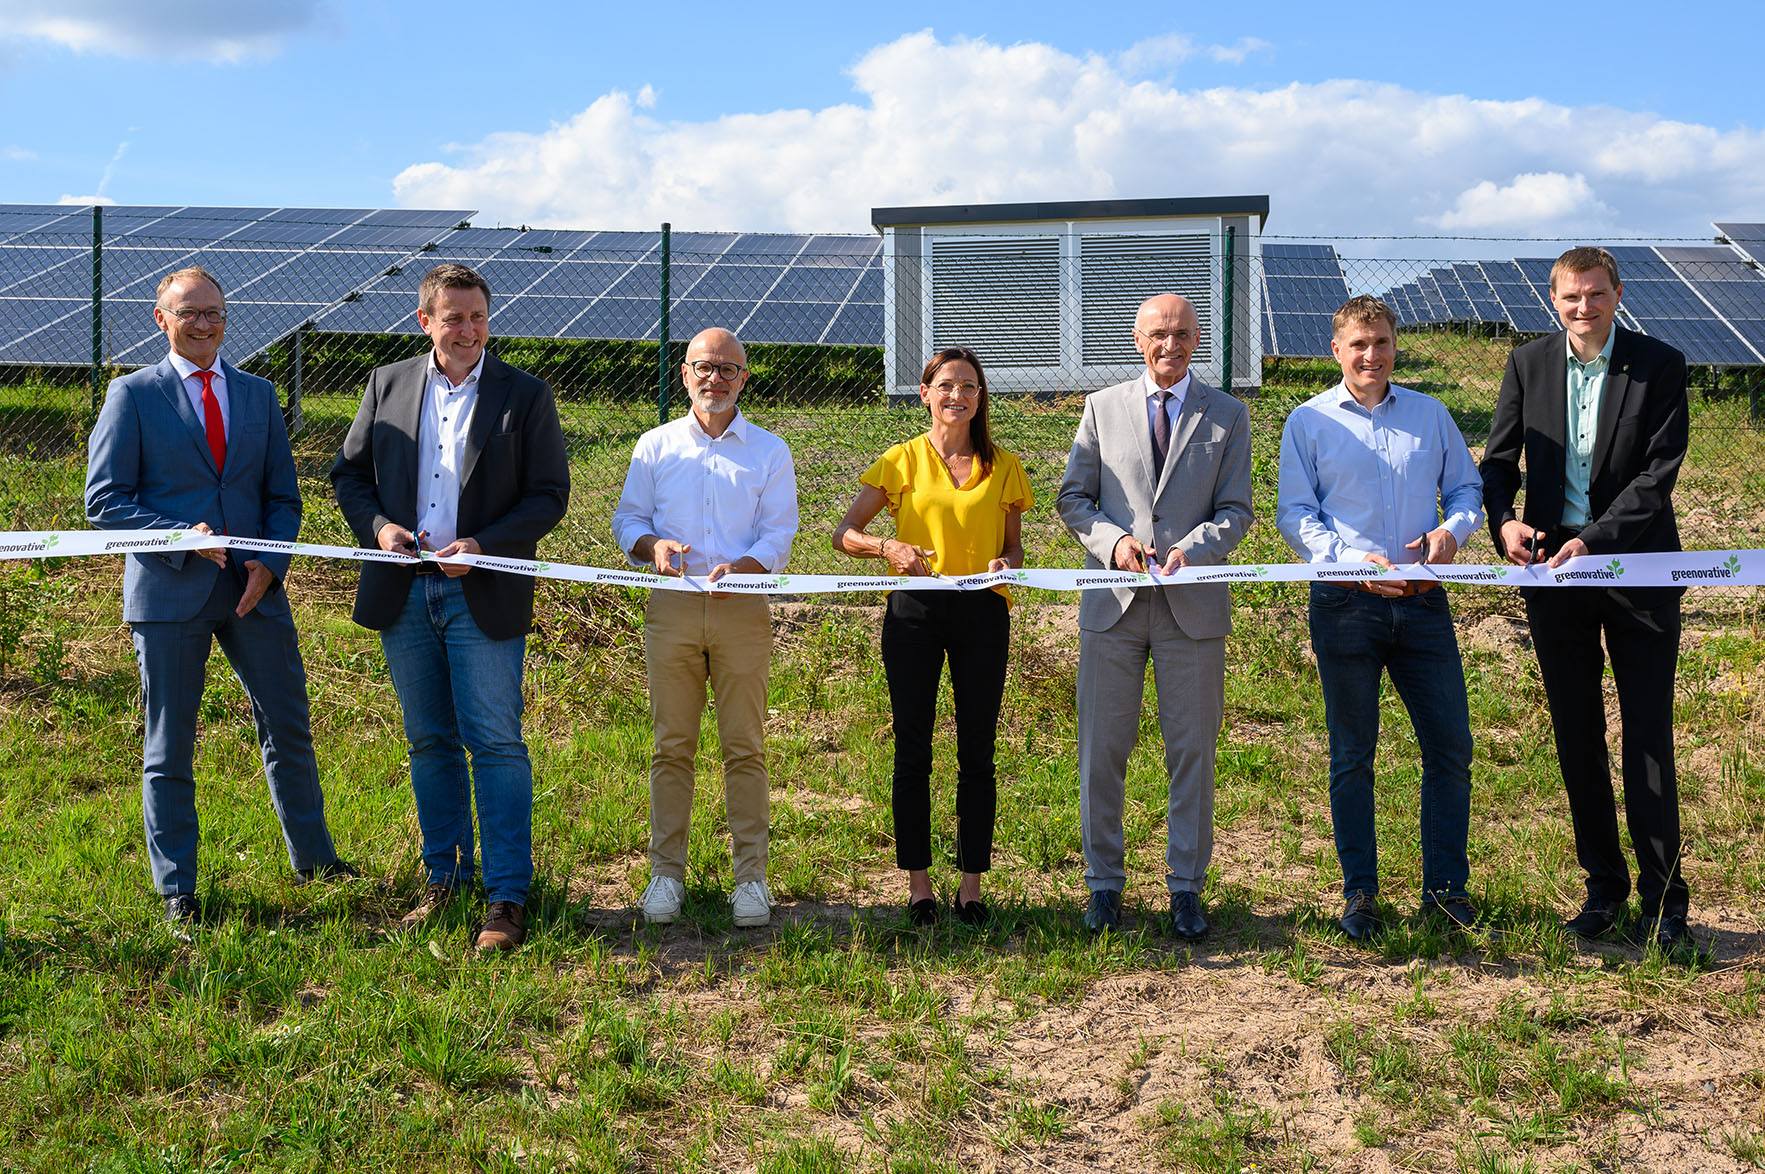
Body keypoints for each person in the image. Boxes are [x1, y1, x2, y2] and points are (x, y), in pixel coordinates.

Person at [84, 266, 352, 938]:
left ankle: (315, 862)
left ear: (226, 318)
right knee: (169, 744)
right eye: (188, 312)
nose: (203, 324)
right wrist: (176, 536)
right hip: (168, 592)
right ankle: (179, 889)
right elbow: (104, 501)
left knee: (288, 727)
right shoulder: (131, 396)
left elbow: (283, 499)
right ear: (160, 318)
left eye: (214, 313)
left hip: (253, 593)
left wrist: (270, 561)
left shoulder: (259, 397)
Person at [330, 262, 569, 952]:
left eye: (478, 317)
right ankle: (444, 880)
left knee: (495, 743)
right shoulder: (388, 383)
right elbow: (348, 475)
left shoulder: (524, 394)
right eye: (454, 317)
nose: (468, 330)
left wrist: (484, 544)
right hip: (403, 589)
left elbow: (548, 494)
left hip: (482, 589)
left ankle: (506, 897)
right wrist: (378, 528)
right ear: (424, 321)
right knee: (429, 741)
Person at [1481, 246, 1693, 952]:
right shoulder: (1526, 364)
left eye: (1595, 295)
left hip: (1635, 574)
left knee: (1647, 738)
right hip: (1553, 578)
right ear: (1552, 299)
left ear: (1616, 294)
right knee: (1576, 735)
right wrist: (1503, 521)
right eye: (1570, 297)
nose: (1583, 307)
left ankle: (1664, 904)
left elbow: (1656, 476)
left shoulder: (1657, 364)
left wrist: (1594, 541)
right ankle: (1602, 888)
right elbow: (1497, 460)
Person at [1276, 295, 1484, 940]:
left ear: (1397, 347)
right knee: (1351, 753)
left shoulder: (1431, 415)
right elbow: (1295, 514)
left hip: (1423, 604)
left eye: (1382, 343)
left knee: (1450, 746)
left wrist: (1453, 533)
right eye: (1358, 345)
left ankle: (1446, 891)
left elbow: (1467, 491)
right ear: (1336, 350)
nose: (1371, 355)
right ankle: (1360, 893)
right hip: (1345, 604)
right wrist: (1344, 558)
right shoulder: (1307, 423)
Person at [1055, 293, 1253, 938]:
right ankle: (1104, 885)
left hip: (1191, 610)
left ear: (1199, 339)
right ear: (1138, 338)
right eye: (1157, 334)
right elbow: (1075, 497)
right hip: (1113, 610)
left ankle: (1186, 887)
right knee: (1101, 752)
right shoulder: (1101, 407)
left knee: (1191, 750)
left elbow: (1236, 510)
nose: (1169, 345)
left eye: (1182, 334)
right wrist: (1112, 542)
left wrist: (1192, 549)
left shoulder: (1228, 415)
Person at [832, 346, 1033, 926]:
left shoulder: (1005, 466)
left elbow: (1015, 546)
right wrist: (885, 546)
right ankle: (919, 885)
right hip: (915, 614)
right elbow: (845, 533)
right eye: (946, 385)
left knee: (978, 749)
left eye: (969, 386)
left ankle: (970, 887)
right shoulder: (899, 461)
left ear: (980, 399)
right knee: (912, 746)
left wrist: (1007, 563)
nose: (957, 396)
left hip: (981, 614)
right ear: (925, 393)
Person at [612, 327, 798, 928]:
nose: (713, 378)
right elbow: (628, 521)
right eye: (702, 367)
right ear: (684, 374)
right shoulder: (655, 446)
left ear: (744, 379)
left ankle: (752, 880)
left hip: (743, 609)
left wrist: (747, 565)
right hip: (671, 606)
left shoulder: (770, 451)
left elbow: (779, 534)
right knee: (673, 746)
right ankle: (666, 875)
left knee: (744, 746)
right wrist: (653, 545)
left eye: (726, 369)